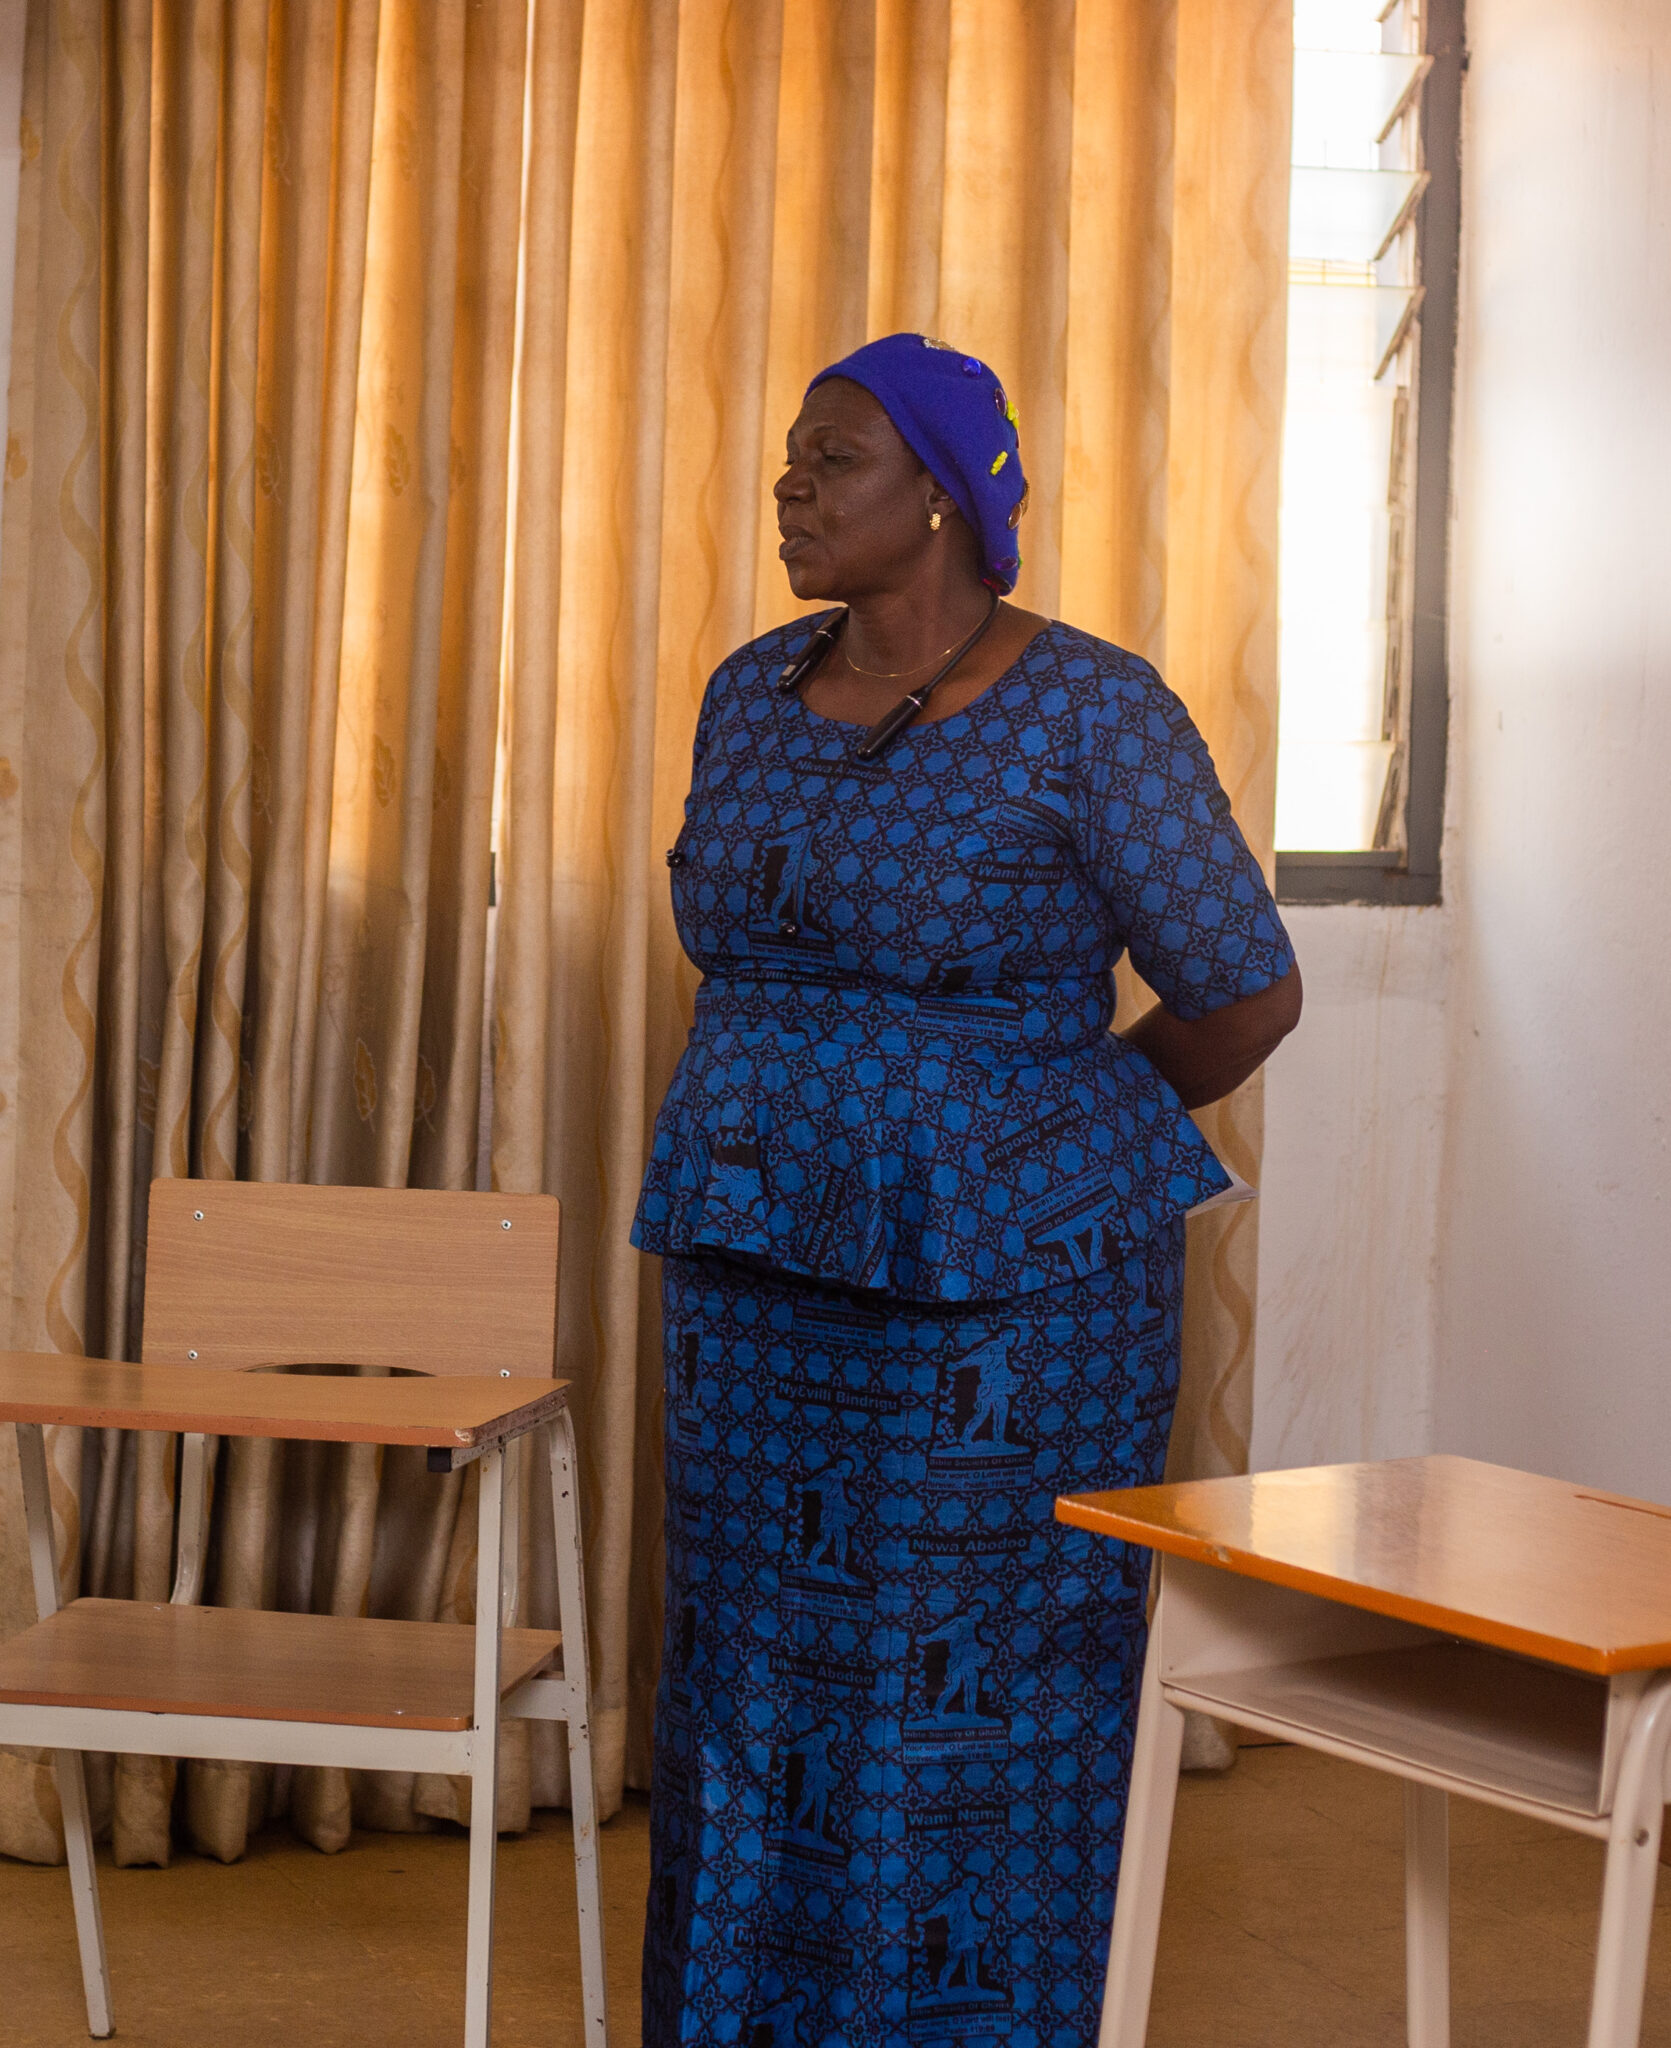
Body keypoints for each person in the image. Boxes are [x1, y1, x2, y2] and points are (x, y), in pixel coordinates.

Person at [634, 332, 1301, 2047]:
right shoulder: (747, 694)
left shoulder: (1094, 713)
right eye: (792, 455)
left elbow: (1243, 990)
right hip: (752, 1269)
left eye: (835, 457)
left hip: (1005, 1307)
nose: (791, 486)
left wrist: (1040, 1141)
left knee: (972, 1683)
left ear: (941, 496)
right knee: (755, 1665)